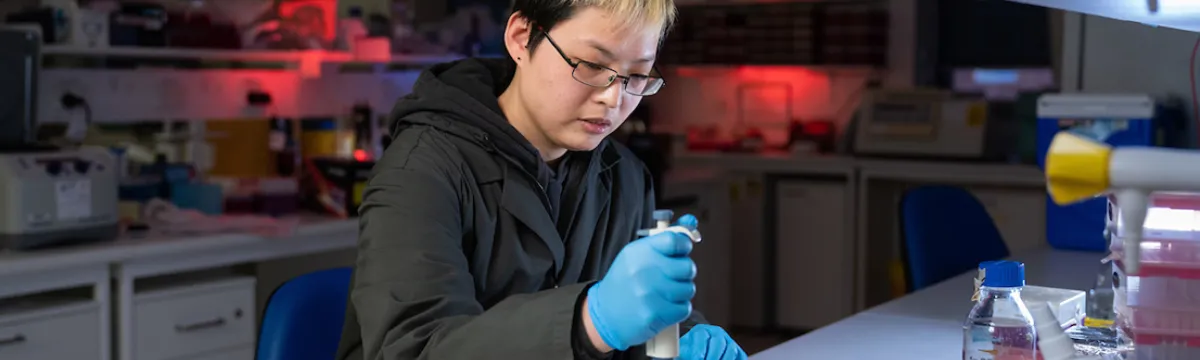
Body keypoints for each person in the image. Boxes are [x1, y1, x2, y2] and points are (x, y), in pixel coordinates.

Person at [336, 0, 747, 359]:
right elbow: (415, 349)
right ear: (521, 38)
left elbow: (631, 326)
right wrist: (589, 321)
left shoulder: (623, 176)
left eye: (637, 76)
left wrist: (679, 335)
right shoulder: (420, 173)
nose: (614, 98)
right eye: (591, 65)